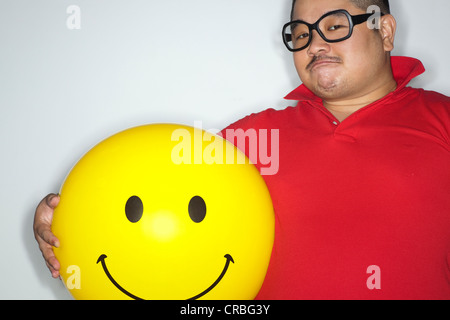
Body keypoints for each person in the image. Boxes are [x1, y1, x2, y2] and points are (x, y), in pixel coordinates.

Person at [34, 0, 450, 299]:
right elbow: (147, 187)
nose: (314, 44)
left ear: (386, 31)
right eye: (301, 33)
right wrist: (61, 214)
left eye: (335, 25)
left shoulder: (442, 120)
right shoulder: (250, 138)